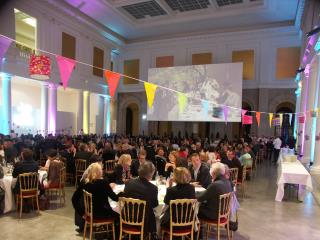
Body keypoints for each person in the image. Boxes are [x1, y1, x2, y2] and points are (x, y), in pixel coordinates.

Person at [124, 162, 158, 238]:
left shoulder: (129, 183)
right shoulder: (153, 188)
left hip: (127, 217)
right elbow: (155, 205)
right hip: (144, 221)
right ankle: (154, 234)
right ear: (151, 174)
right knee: (154, 213)